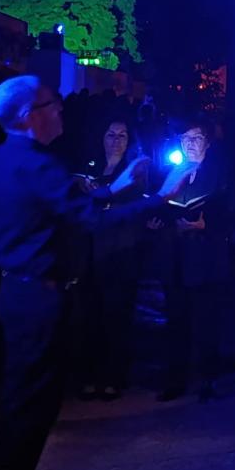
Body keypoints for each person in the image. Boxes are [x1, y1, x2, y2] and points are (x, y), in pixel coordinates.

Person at [0, 75, 175, 470]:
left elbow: (67, 204)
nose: (62, 108)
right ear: (28, 115)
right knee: (28, 412)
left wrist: (116, 186)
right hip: (39, 299)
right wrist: (159, 196)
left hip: (18, 294)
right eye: (52, 103)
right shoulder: (36, 163)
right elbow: (90, 221)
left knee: (22, 406)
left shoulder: (6, 158)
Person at [157, 122, 230, 403]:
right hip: (175, 257)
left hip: (204, 256)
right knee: (176, 320)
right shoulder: (169, 172)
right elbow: (158, 206)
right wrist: (161, 222)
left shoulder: (218, 174)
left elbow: (230, 211)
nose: (189, 143)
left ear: (207, 143)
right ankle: (174, 378)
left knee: (205, 321)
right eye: (185, 138)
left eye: (196, 138)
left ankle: (207, 379)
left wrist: (205, 225)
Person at [74, 118, 147, 400]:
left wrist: (103, 199)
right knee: (90, 316)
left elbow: (131, 206)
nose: (116, 139)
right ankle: (90, 375)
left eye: (122, 135)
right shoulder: (89, 166)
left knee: (116, 316)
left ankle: (114, 376)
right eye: (111, 133)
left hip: (120, 250)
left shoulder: (135, 172)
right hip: (91, 250)